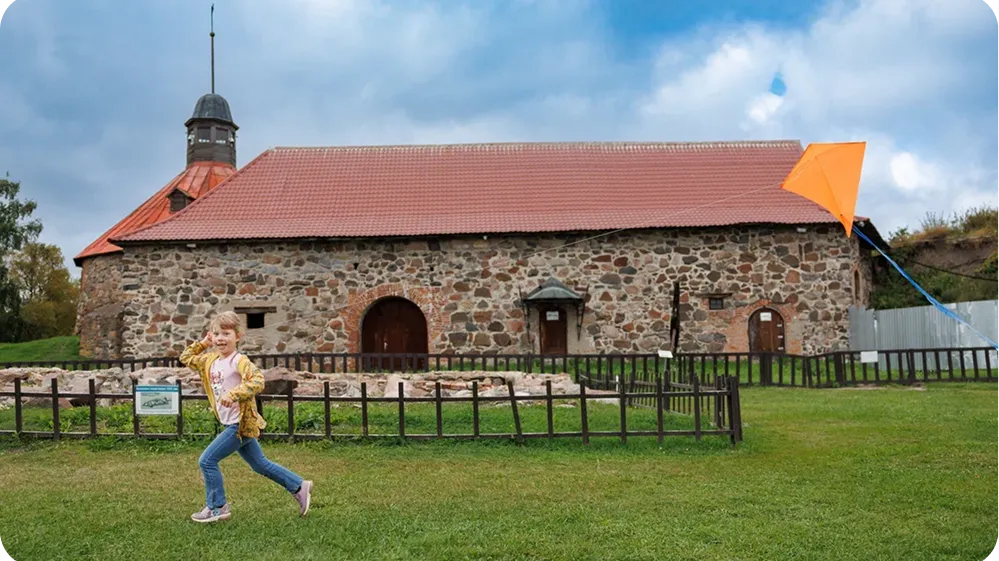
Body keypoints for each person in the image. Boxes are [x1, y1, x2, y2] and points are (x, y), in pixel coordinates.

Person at [180, 310, 313, 523]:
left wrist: (234, 394)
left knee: (207, 461)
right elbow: (185, 358)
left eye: (226, 334)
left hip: (239, 424)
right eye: (216, 334)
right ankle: (299, 486)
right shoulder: (209, 360)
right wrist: (203, 343)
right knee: (260, 464)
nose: (220, 338)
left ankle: (217, 507)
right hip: (230, 423)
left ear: (238, 336)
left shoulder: (239, 361)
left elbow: (257, 381)